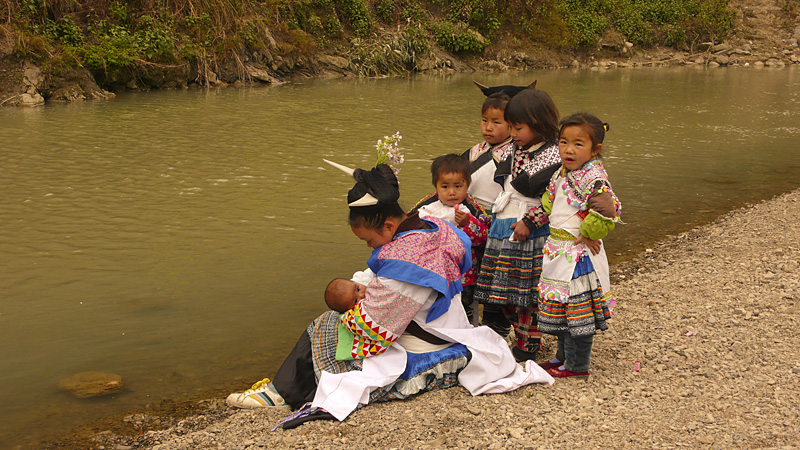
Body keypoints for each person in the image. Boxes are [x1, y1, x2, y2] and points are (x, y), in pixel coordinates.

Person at [226, 163, 553, 425]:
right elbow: (379, 274)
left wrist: (351, 309)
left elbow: (376, 329)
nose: (369, 247)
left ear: (385, 227)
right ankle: (281, 388)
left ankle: (280, 393)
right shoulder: (430, 224)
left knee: (327, 326)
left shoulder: (406, 265)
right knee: (335, 320)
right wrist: (359, 289)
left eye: (368, 241)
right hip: (446, 322)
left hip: (427, 341)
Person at [474, 87, 563, 363]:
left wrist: (530, 221)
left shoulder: (554, 155)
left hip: (529, 230)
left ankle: (528, 343)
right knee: (503, 290)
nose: (512, 133)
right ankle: (519, 336)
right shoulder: (515, 148)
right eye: (510, 126)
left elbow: (555, 199)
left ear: (538, 123)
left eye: (518, 127)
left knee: (525, 293)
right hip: (504, 223)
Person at [537, 113, 621, 379]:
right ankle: (563, 357)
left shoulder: (592, 177)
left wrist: (589, 232)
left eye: (578, 144)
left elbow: (607, 208)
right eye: (563, 142)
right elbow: (552, 200)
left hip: (578, 256)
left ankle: (576, 365)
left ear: (595, 149)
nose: (568, 149)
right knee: (564, 308)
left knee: (578, 313)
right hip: (560, 251)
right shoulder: (567, 171)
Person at [463, 82, 533, 338]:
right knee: (474, 273)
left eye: (496, 122)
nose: (488, 127)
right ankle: (474, 324)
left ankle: (498, 324)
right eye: (484, 121)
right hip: (468, 220)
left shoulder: (516, 154)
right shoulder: (473, 151)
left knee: (495, 274)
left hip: (498, 222)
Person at [408, 154, 490, 325]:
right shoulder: (426, 207)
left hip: (465, 274)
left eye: (458, 186)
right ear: (436, 186)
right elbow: (409, 229)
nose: (452, 192)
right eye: (445, 186)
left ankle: (470, 337)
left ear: (467, 184)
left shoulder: (473, 209)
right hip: (435, 271)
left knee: (465, 308)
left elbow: (484, 238)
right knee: (435, 305)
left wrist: (468, 223)